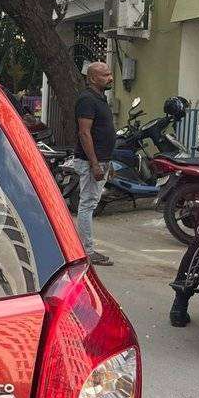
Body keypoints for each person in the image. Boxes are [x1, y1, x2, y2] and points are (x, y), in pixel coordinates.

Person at [71, 62, 116, 266]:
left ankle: (85, 248)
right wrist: (95, 164)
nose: (110, 77)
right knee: (87, 205)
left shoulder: (100, 98)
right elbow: (84, 132)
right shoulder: (87, 100)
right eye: (105, 75)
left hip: (101, 160)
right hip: (91, 162)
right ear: (92, 78)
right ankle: (87, 250)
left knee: (90, 203)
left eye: (109, 73)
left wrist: (108, 163)